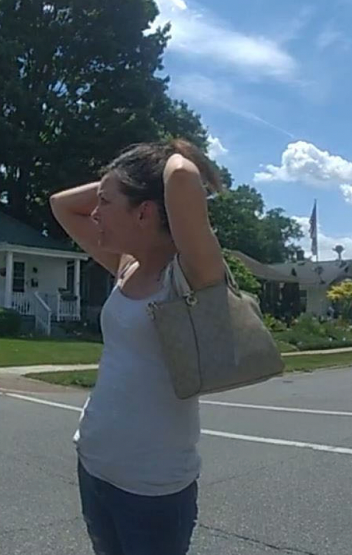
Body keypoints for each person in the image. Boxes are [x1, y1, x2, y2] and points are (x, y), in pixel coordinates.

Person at [50, 139, 225, 555]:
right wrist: (119, 183)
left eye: (105, 202)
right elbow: (61, 204)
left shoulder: (189, 276)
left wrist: (168, 152)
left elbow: (181, 176)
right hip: (94, 466)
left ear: (145, 212)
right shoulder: (126, 266)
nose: (94, 211)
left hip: (153, 489)